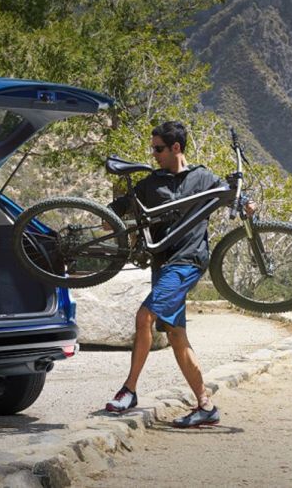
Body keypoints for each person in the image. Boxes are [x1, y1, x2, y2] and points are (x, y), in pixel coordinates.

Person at [103, 121, 256, 428]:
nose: (154, 154)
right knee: (176, 335)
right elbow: (117, 208)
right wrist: (109, 218)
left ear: (176, 148)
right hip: (163, 262)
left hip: (188, 261)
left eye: (158, 149)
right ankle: (206, 406)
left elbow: (235, 199)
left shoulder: (203, 178)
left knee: (143, 317)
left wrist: (248, 205)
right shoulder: (151, 182)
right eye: (153, 149)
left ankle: (129, 389)